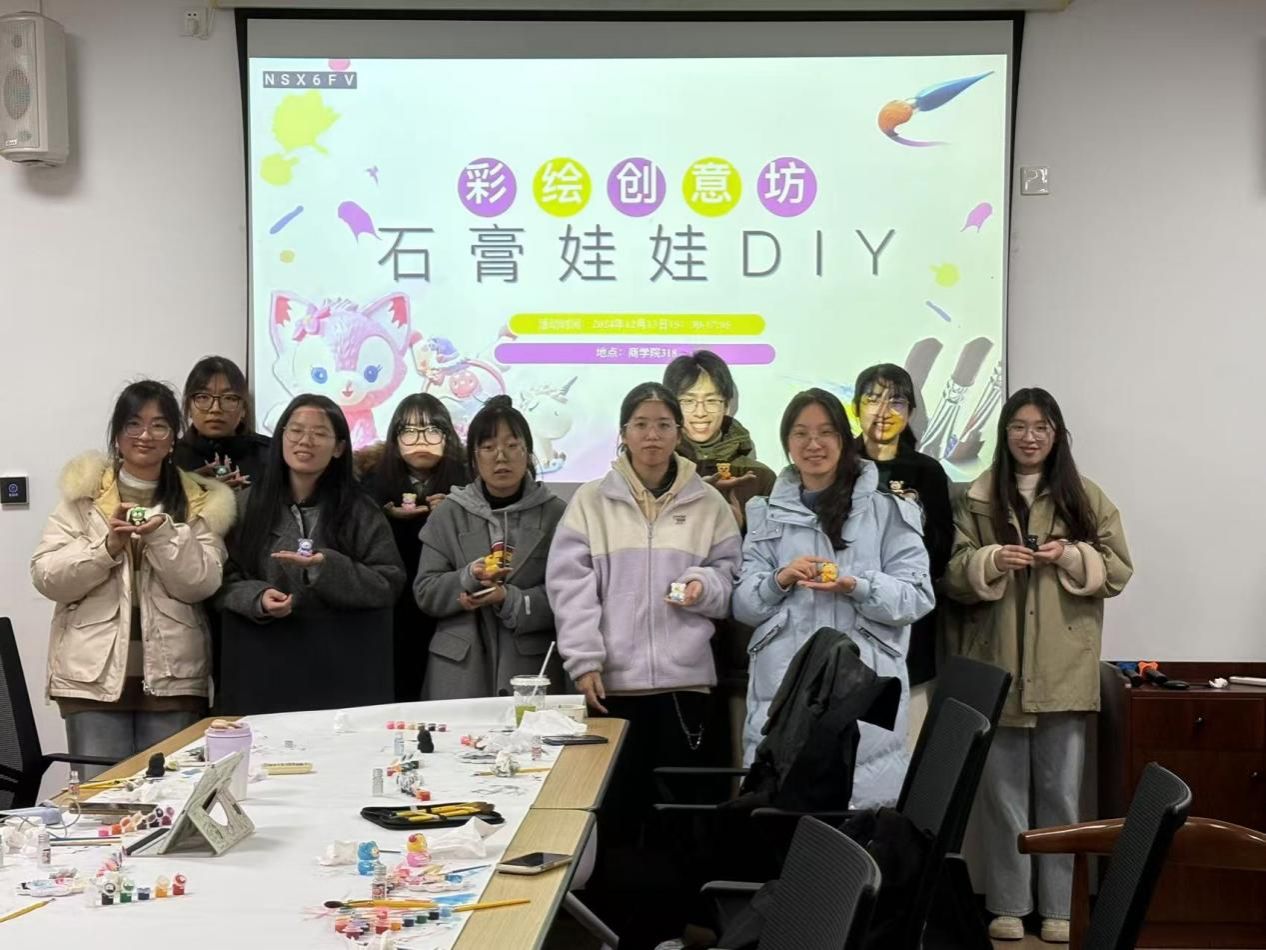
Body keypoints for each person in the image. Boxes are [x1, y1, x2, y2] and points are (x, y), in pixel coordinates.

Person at [944, 388, 1132, 944]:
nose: (1030, 437)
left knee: (1061, 798)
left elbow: (1119, 570)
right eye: (1019, 427)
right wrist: (990, 561)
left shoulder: (1084, 496)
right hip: (998, 665)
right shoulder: (976, 498)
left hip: (1062, 668)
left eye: (1042, 427)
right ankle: (1007, 904)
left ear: (1057, 436)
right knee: (1001, 799)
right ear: (1004, 434)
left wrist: (1072, 555)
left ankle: (1059, 908)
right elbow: (950, 571)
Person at [548, 382, 742, 831]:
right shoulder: (591, 501)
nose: (652, 435)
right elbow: (570, 588)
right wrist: (583, 660)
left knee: (681, 814)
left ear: (679, 433)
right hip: (611, 687)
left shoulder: (708, 502)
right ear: (624, 433)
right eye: (640, 425)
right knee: (616, 812)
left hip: (685, 686)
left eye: (663, 425)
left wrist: (702, 586)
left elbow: (730, 576)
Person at [732, 387, 933, 808]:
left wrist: (856, 585)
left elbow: (916, 597)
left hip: (861, 692)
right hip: (783, 694)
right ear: (787, 442)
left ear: (844, 439)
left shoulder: (888, 511)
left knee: (857, 828)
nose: (814, 444)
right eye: (801, 433)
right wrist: (778, 580)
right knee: (778, 827)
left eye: (826, 432)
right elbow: (745, 606)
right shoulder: (766, 513)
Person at [31, 380, 234, 776]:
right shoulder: (84, 495)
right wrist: (106, 548)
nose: (146, 435)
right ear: (117, 434)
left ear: (173, 437)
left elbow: (202, 583)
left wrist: (163, 537)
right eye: (134, 424)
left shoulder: (199, 499)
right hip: (91, 680)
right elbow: (46, 576)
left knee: (168, 798)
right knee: (101, 798)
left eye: (159, 425)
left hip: (175, 680)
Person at [214, 394, 405, 714]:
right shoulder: (248, 504)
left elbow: (389, 581)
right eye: (296, 430)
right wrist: (257, 598)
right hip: (264, 664)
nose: (305, 441)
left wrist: (325, 568)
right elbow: (221, 578)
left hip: (341, 666)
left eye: (319, 433)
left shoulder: (361, 510)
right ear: (281, 437)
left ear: (339, 447)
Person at [414, 395, 564, 700]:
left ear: (528, 453)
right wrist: (468, 577)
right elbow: (426, 591)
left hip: (530, 666)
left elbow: (569, 595)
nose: (501, 456)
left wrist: (512, 600)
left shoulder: (556, 514)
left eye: (512, 445)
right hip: (459, 668)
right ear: (474, 457)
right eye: (488, 447)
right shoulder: (449, 513)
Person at [358, 394, 469, 701]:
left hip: (448, 609)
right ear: (395, 438)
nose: (421, 441)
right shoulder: (370, 482)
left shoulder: (467, 484)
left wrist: (455, 512)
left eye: (432, 430)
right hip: (391, 611)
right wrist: (383, 516)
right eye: (409, 431)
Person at [853, 363, 953, 689]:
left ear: (910, 412)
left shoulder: (928, 472)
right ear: (855, 408)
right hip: (848, 607)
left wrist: (916, 518)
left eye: (896, 402)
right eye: (872, 399)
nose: (883, 411)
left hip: (908, 617)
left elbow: (941, 552)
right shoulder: (839, 465)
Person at [662, 349, 776, 523]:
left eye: (712, 401)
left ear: (726, 406)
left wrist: (739, 529)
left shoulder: (760, 476)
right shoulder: (653, 469)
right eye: (688, 401)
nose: (700, 412)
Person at [173, 356, 270, 487]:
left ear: (244, 409)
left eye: (229, 398)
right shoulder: (169, 458)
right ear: (188, 407)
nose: (215, 409)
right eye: (203, 397)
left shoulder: (270, 455)